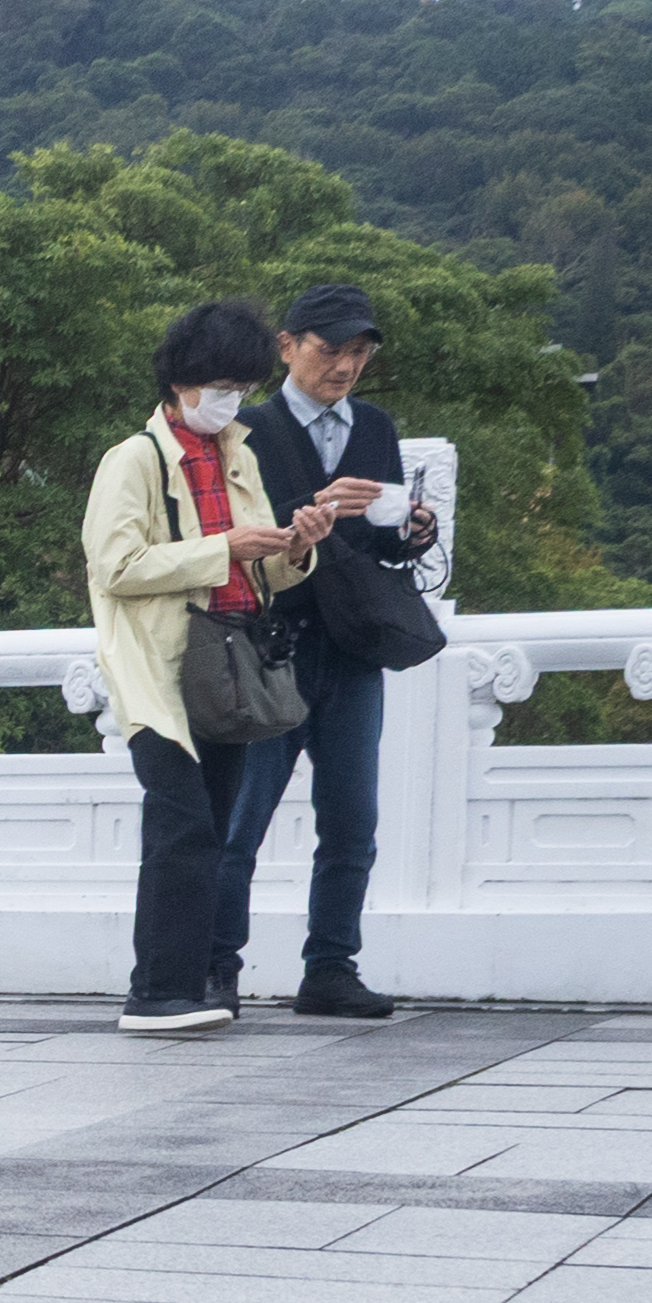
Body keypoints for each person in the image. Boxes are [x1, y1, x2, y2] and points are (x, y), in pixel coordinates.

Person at [86, 300, 326, 1038]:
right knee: (180, 826)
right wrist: (224, 547)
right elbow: (115, 565)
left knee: (212, 829)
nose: (227, 399)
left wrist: (297, 545)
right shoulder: (134, 459)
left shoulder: (237, 454)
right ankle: (153, 991)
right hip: (157, 671)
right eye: (216, 384)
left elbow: (267, 577)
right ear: (179, 382)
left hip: (225, 665)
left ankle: (183, 983)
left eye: (239, 386)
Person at [213, 282, 427, 1020]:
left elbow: (375, 543)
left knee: (351, 820)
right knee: (241, 819)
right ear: (287, 346)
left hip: (353, 649)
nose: (343, 365)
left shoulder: (374, 426)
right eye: (328, 348)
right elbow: (234, 536)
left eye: (357, 351)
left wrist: (411, 529)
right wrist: (305, 518)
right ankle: (216, 968)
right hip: (271, 647)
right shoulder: (245, 430)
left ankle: (330, 967)